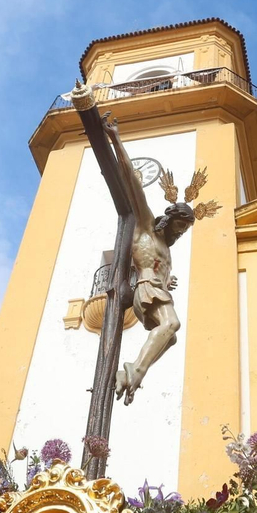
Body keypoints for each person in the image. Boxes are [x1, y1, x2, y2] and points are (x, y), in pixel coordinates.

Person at [70, 82, 218, 405]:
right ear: (168, 220)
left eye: (183, 232)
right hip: (144, 291)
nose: (179, 235)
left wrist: (168, 280)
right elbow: (133, 182)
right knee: (173, 323)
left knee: (171, 337)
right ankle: (135, 371)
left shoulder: (165, 249)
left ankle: (131, 372)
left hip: (150, 293)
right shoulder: (146, 230)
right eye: (178, 228)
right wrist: (115, 138)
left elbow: (160, 269)